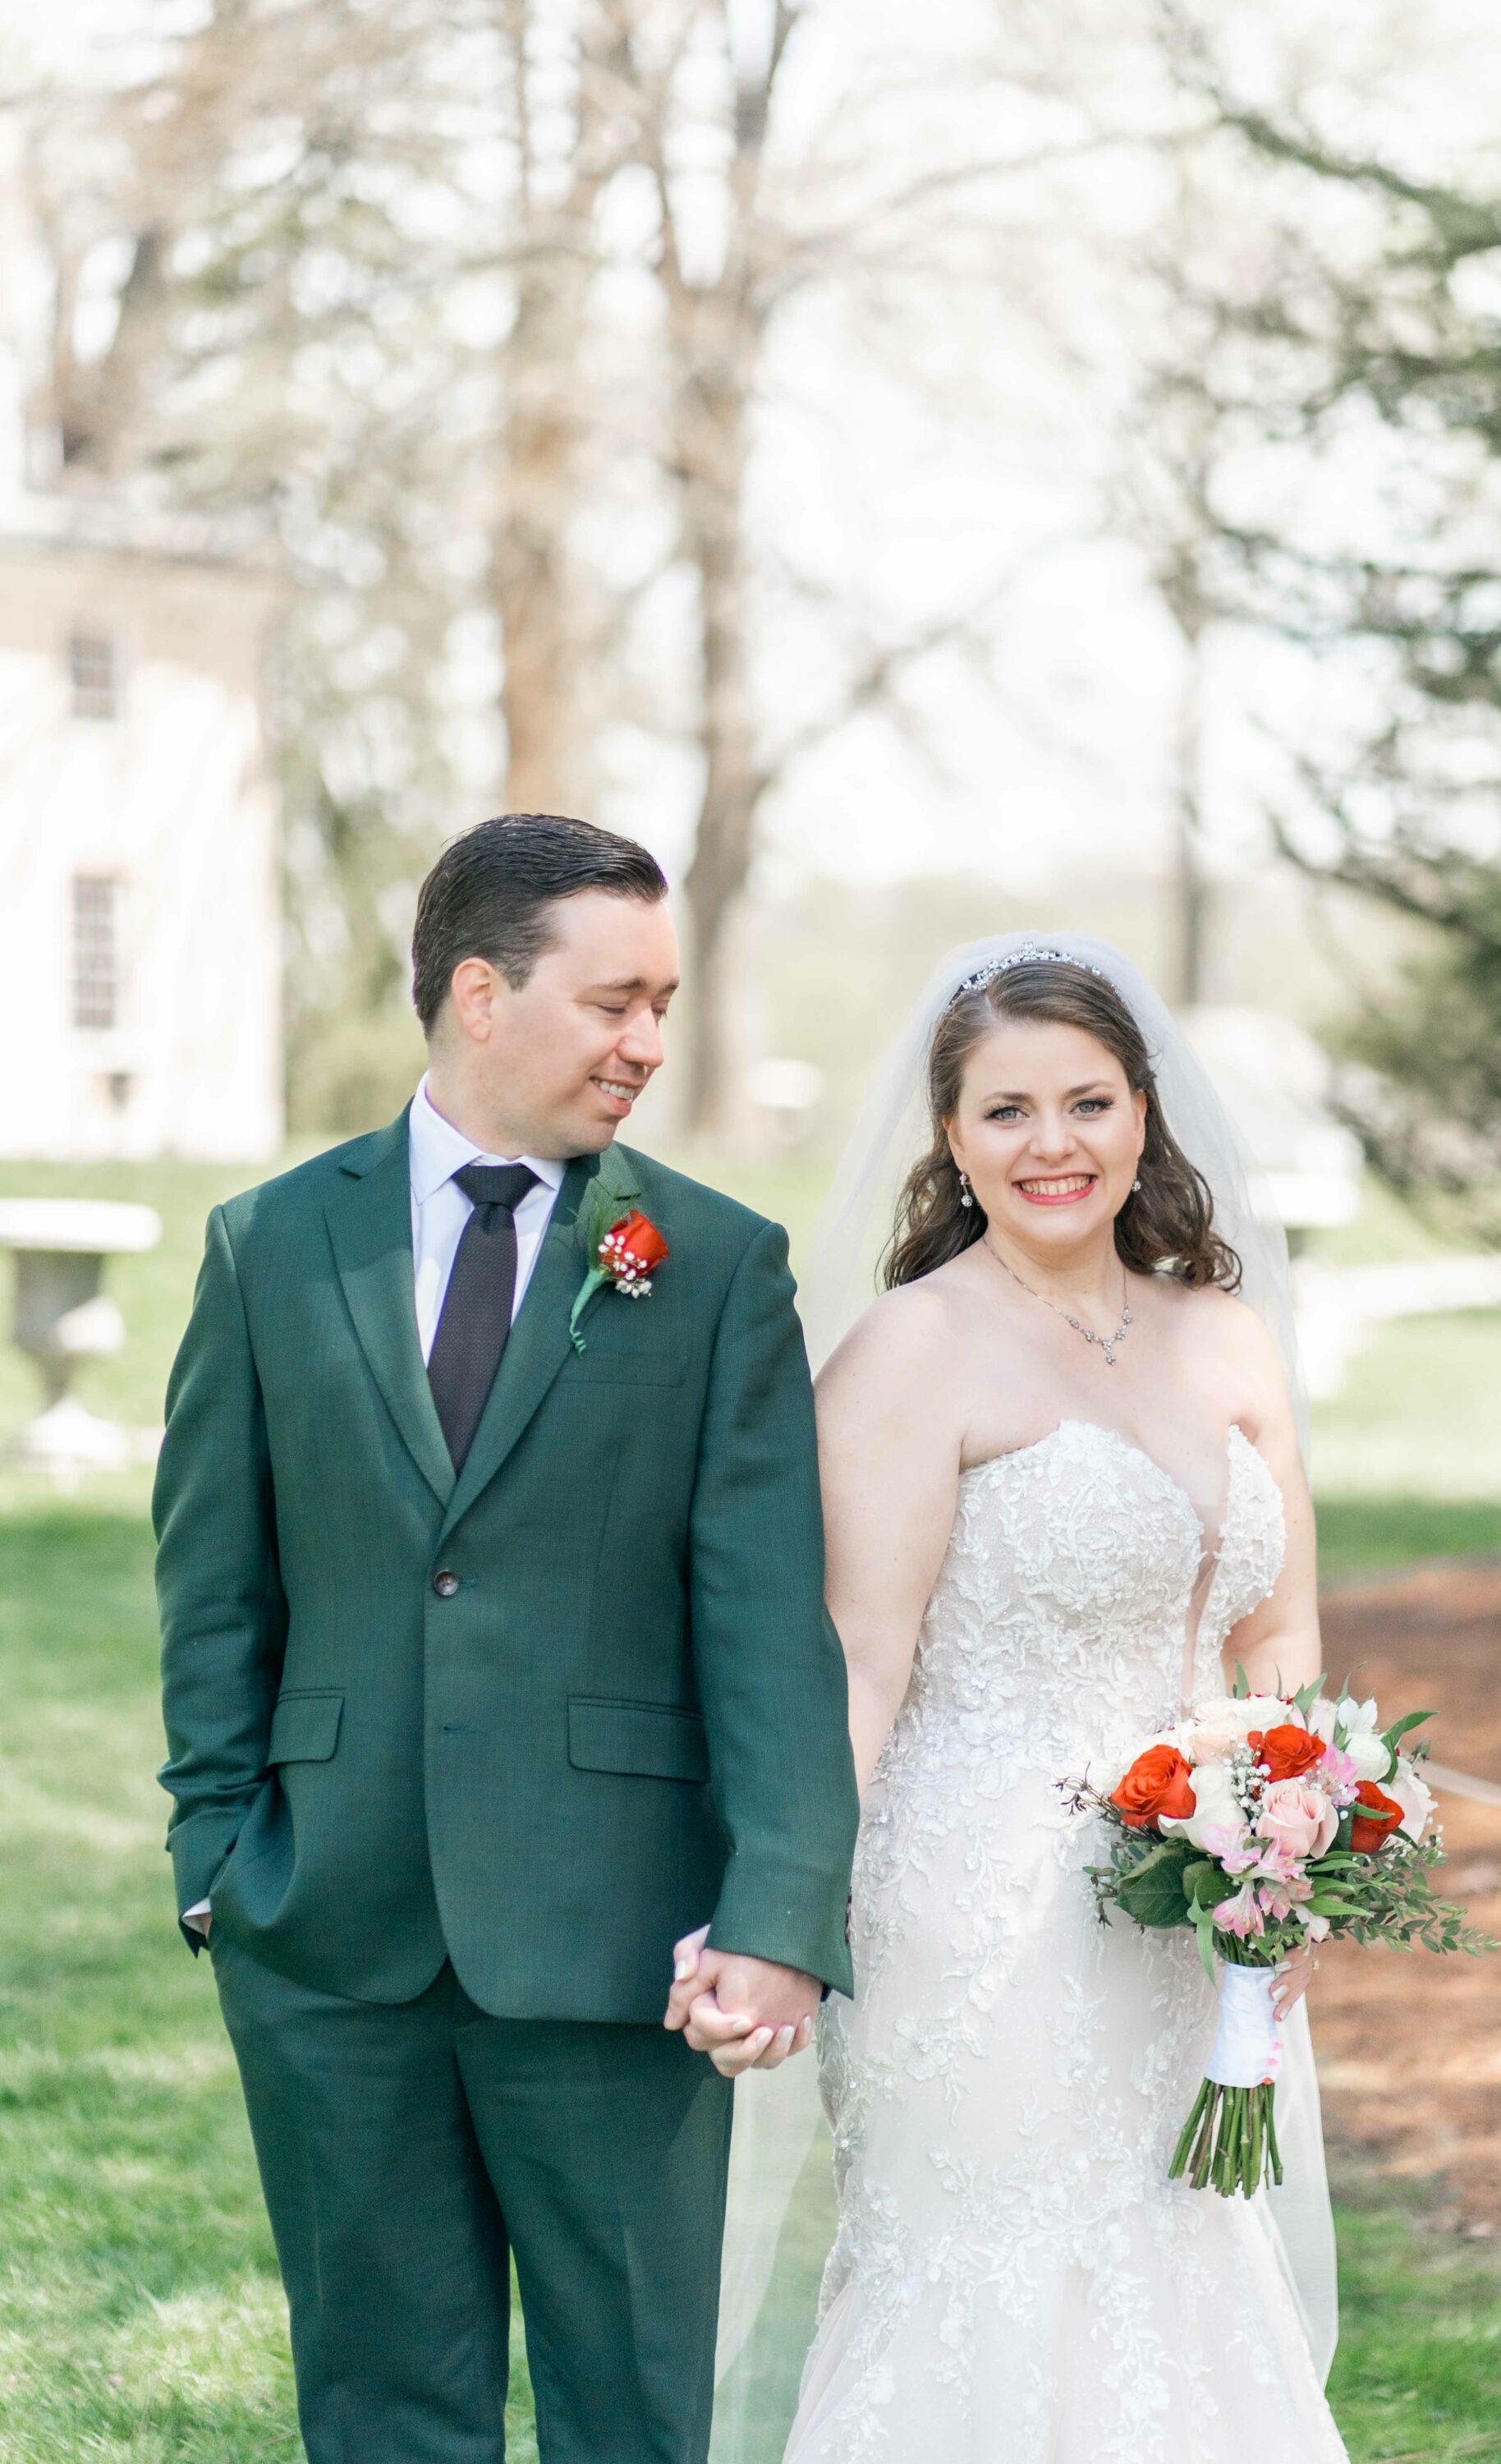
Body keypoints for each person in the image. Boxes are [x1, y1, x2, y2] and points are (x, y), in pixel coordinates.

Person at [154, 812, 859, 2464]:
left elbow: (768, 1622)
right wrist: (216, 1860)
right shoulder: (270, 1245)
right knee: (379, 2411)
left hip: (620, 1944)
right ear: (480, 993)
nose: (649, 1044)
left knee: (628, 2417)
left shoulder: (714, 1264)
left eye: (661, 1004)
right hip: (328, 1938)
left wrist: (776, 1911)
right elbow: (215, 1589)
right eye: (615, 1002)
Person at [672, 934, 1347, 2463]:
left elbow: (1279, 1630)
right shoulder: (913, 1349)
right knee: (995, 2280)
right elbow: (858, 1661)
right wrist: (778, 1910)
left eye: (1089, 1103)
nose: (1055, 1144)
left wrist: (1291, 1857)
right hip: (976, 1912)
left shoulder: (1224, 1336)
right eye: (1008, 1111)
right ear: (952, 1138)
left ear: (1143, 1113)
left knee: (1182, 2269)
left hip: (1193, 1914)